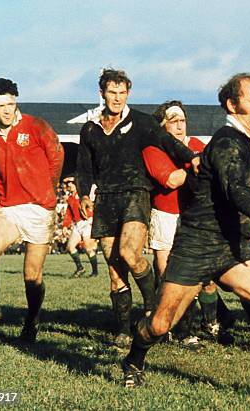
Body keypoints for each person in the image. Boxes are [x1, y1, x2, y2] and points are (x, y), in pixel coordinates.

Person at [122, 73, 250, 400]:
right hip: (197, 244)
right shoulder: (228, 142)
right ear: (233, 105)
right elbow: (235, 190)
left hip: (232, 246)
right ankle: (133, 360)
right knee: (161, 324)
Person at [76, 69, 198, 349]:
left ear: (128, 93)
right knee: (115, 269)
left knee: (129, 253)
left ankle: (153, 307)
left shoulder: (141, 123)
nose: (117, 98)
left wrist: (192, 159)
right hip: (106, 199)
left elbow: (168, 142)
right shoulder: (90, 128)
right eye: (111, 92)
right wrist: (84, 194)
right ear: (102, 94)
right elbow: (84, 166)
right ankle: (122, 330)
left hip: (135, 194)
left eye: (122, 93)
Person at [0, 78, 64, 343]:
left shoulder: (36, 125)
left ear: (16, 101)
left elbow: (57, 155)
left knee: (32, 277)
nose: (6, 110)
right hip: (8, 207)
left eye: (10, 103)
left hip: (40, 209)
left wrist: (49, 191)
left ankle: (32, 318)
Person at [143, 100, 231, 347]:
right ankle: (175, 329)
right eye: (173, 121)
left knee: (207, 276)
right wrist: (200, 166)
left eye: (182, 121)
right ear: (163, 126)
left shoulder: (197, 145)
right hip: (166, 216)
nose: (180, 126)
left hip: (195, 217)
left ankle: (210, 323)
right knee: (169, 276)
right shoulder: (154, 150)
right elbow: (170, 180)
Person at [62, 177, 98, 278]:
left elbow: (91, 206)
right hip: (78, 224)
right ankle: (80, 268)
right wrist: (65, 225)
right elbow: (69, 213)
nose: (69, 185)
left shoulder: (84, 195)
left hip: (86, 223)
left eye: (71, 183)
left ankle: (95, 272)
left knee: (88, 248)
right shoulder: (70, 198)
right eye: (68, 183)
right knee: (70, 247)